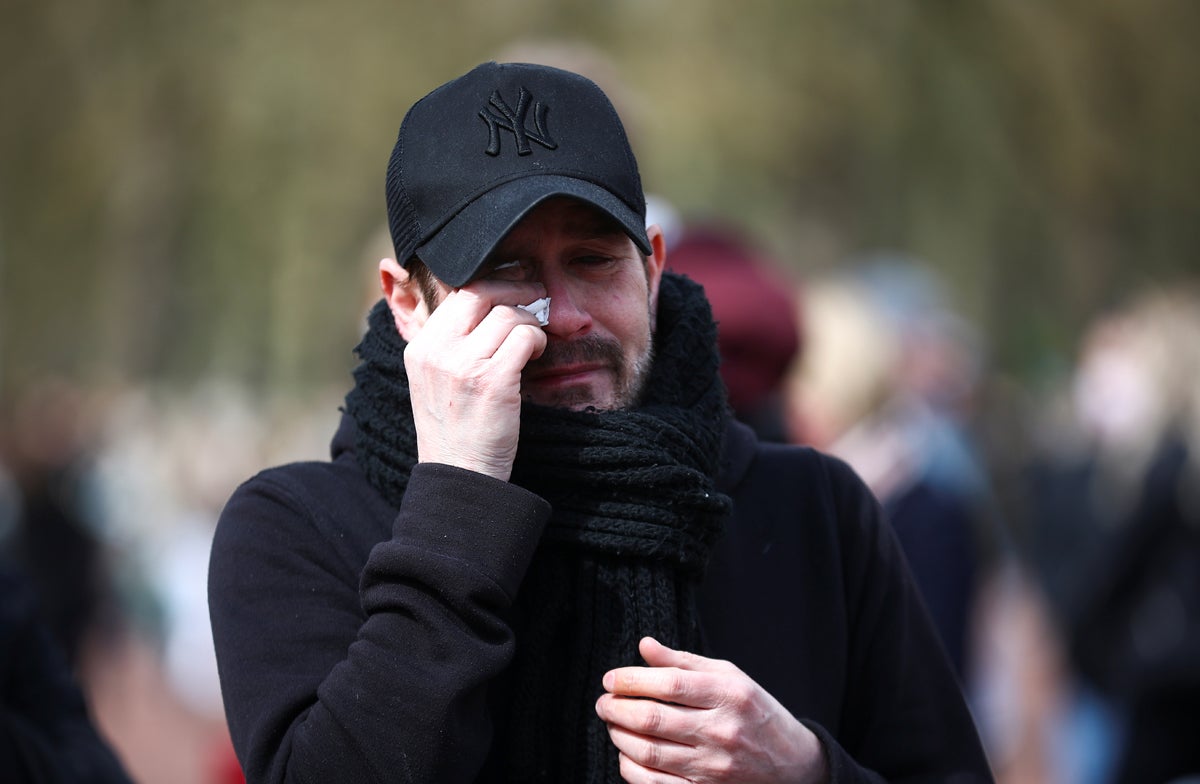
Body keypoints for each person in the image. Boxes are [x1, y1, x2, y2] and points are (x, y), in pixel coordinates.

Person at [208, 61, 993, 783]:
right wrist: (457, 499)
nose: (569, 315)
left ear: (652, 267)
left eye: (594, 260)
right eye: (507, 269)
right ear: (408, 301)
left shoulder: (814, 508)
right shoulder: (294, 526)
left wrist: (806, 769)